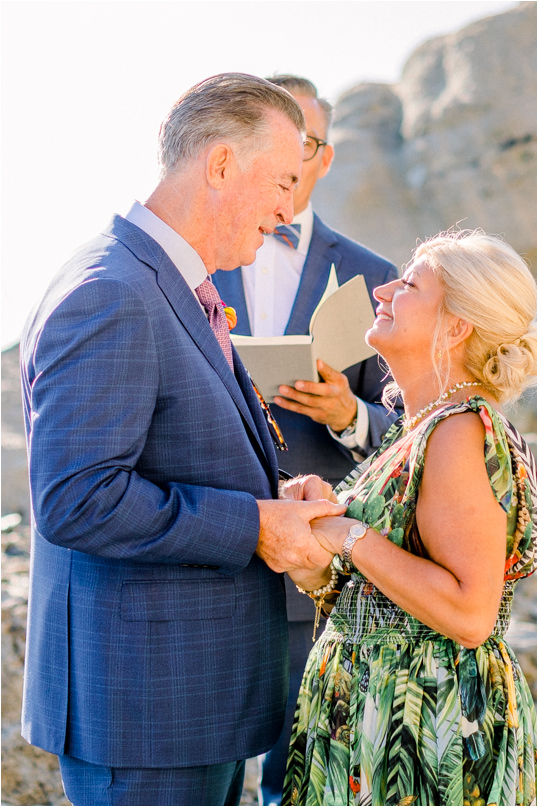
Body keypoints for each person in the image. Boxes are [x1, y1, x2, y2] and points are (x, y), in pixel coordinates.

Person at [19, 73, 343, 806]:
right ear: (223, 165)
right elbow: (77, 499)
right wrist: (258, 524)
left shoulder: (165, 281)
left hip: (193, 708)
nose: (290, 210)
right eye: (285, 181)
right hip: (143, 721)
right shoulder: (111, 292)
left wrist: (274, 496)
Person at [279, 229, 537, 806]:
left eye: (408, 284)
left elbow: (469, 612)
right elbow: (383, 592)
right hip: (378, 716)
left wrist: (347, 534)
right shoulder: (420, 428)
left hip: (427, 726)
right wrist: (314, 551)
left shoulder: (457, 431)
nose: (382, 290)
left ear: (456, 327)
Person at [209, 74, 400, 807]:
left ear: (323, 156)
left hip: (315, 572)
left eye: (308, 143)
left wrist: (347, 410)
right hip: (211, 551)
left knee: (301, 773)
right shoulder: (194, 260)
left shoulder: (373, 274)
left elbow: (407, 430)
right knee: (210, 768)